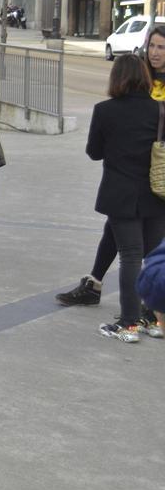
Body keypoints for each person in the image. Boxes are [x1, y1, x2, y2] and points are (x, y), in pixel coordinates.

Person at [59, 26, 165, 311]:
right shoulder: (144, 79)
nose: (155, 53)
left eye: (162, 48)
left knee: (138, 250)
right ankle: (96, 283)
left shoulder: (135, 97)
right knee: (118, 229)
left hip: (154, 177)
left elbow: (96, 148)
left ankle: (138, 313)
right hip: (134, 180)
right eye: (152, 46)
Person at [82, 54, 165, 343]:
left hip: (121, 193)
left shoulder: (105, 110)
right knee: (154, 257)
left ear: (116, 78)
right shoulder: (160, 110)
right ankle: (153, 319)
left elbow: (94, 151)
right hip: (156, 194)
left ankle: (128, 324)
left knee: (130, 256)